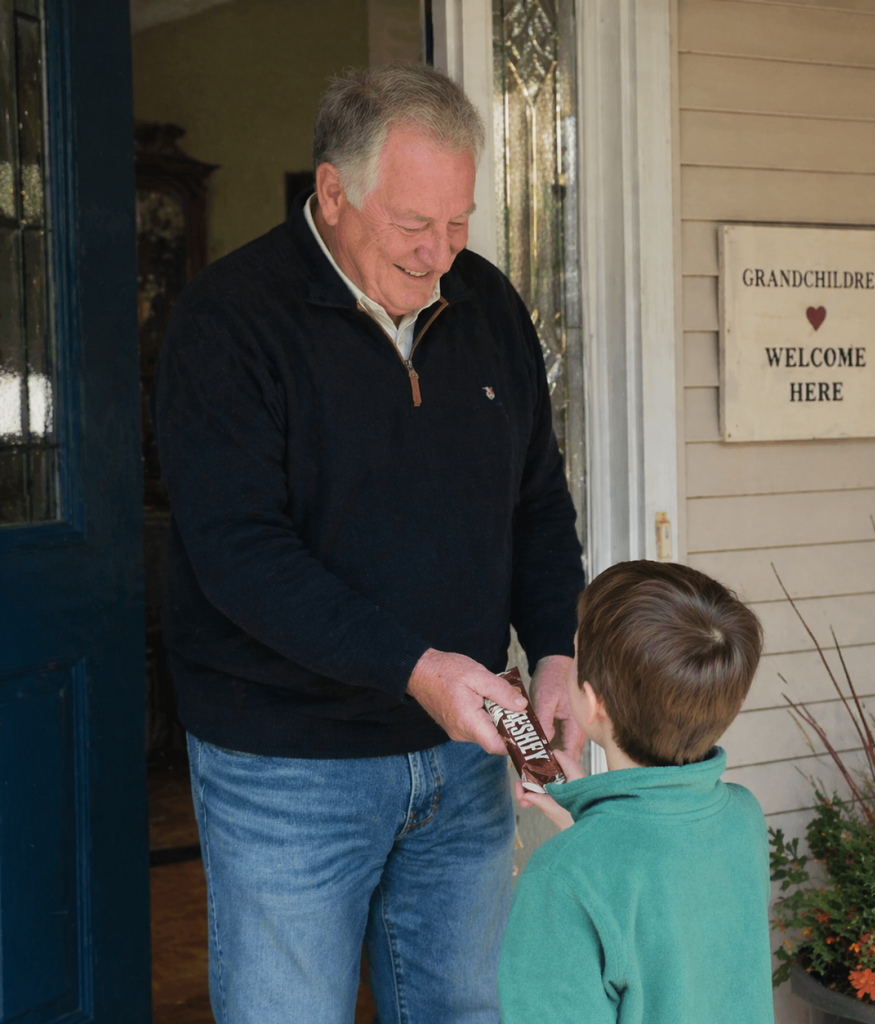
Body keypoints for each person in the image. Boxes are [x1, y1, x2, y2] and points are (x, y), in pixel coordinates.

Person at [152, 63, 585, 1024]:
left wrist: (555, 651)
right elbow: (240, 554)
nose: (441, 254)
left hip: (464, 757)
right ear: (333, 192)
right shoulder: (229, 319)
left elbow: (538, 507)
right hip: (285, 766)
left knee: (464, 1011)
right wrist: (417, 668)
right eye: (414, 223)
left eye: (459, 221)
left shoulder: (489, 305)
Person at [498, 560, 774, 1024]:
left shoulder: (561, 877)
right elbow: (660, 878)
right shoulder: (742, 817)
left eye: (573, 652)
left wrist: (586, 843)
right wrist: (588, 815)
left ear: (593, 702)